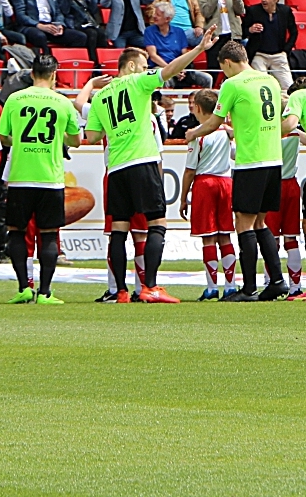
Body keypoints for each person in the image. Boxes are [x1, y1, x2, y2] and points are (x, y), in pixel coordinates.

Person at [83, 27, 218, 304]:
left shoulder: (100, 97)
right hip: (142, 160)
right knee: (157, 223)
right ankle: (151, 287)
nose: (147, 69)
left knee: (118, 231)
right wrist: (199, 49)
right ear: (131, 66)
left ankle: (120, 291)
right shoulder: (138, 82)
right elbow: (169, 70)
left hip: (117, 167)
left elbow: (93, 136)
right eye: (144, 65)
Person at [182, 41, 289, 301]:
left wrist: (193, 133)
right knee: (261, 222)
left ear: (227, 62)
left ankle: (249, 288)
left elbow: (214, 122)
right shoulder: (270, 81)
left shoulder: (232, 84)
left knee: (243, 222)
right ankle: (276, 280)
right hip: (274, 159)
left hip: (250, 160)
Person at [0, 55, 82, 304]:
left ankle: (24, 287)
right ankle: (45, 292)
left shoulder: (15, 99)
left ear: (32, 74)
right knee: (48, 233)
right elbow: (75, 140)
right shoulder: (62, 102)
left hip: (21, 176)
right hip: (49, 177)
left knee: (16, 231)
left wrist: (21, 142)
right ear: (54, 75)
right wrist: (58, 139)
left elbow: (3, 136)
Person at [181, 89, 238, 299]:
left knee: (208, 237)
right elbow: (235, 153)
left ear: (197, 108)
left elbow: (189, 170)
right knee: (225, 235)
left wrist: (182, 197)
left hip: (205, 183)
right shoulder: (224, 131)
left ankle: (212, 287)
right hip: (225, 181)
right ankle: (230, 285)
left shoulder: (197, 134)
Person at [243, 0, 297, 92]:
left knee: (289, 87)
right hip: (259, 55)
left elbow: (294, 32)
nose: (263, 0)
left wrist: (286, 50)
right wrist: (250, 29)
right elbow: (242, 31)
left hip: (279, 54)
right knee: (262, 86)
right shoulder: (253, 10)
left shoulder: (285, 11)